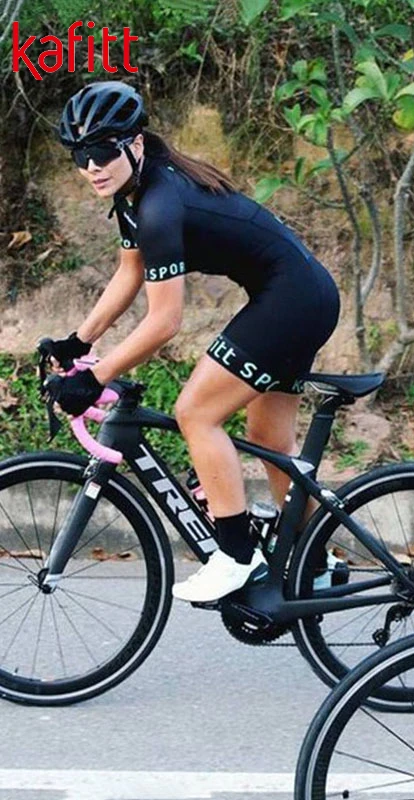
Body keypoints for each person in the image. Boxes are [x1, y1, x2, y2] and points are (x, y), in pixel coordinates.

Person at [46, 81, 340, 603]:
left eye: (103, 151)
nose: (91, 166)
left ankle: (236, 556)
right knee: (271, 441)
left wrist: (96, 377)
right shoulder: (138, 193)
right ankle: (317, 562)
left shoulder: (160, 205)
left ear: (135, 143)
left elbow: (165, 322)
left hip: (292, 299)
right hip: (302, 293)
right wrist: (77, 342)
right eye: (79, 155)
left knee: (196, 412)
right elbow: (129, 272)